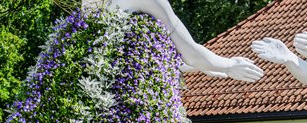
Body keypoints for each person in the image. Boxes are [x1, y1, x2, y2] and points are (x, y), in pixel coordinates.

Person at [85, 0, 264, 82]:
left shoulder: (89, 7)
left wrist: (205, 65)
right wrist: (228, 64)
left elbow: (133, 58)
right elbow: (191, 53)